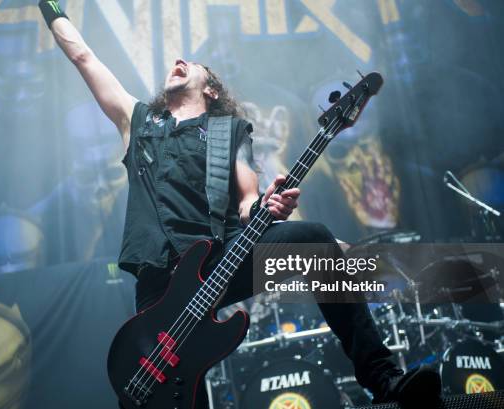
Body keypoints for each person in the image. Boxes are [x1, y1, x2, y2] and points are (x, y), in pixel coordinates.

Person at [38, 1, 442, 407]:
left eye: (191, 63)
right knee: (176, 390)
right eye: (177, 60)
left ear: (211, 89)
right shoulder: (137, 121)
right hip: (160, 281)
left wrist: (270, 205)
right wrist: (49, 6)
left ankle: (383, 378)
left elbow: (249, 203)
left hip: (219, 260)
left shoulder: (228, 131)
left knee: (317, 240)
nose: (178, 60)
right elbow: (82, 54)